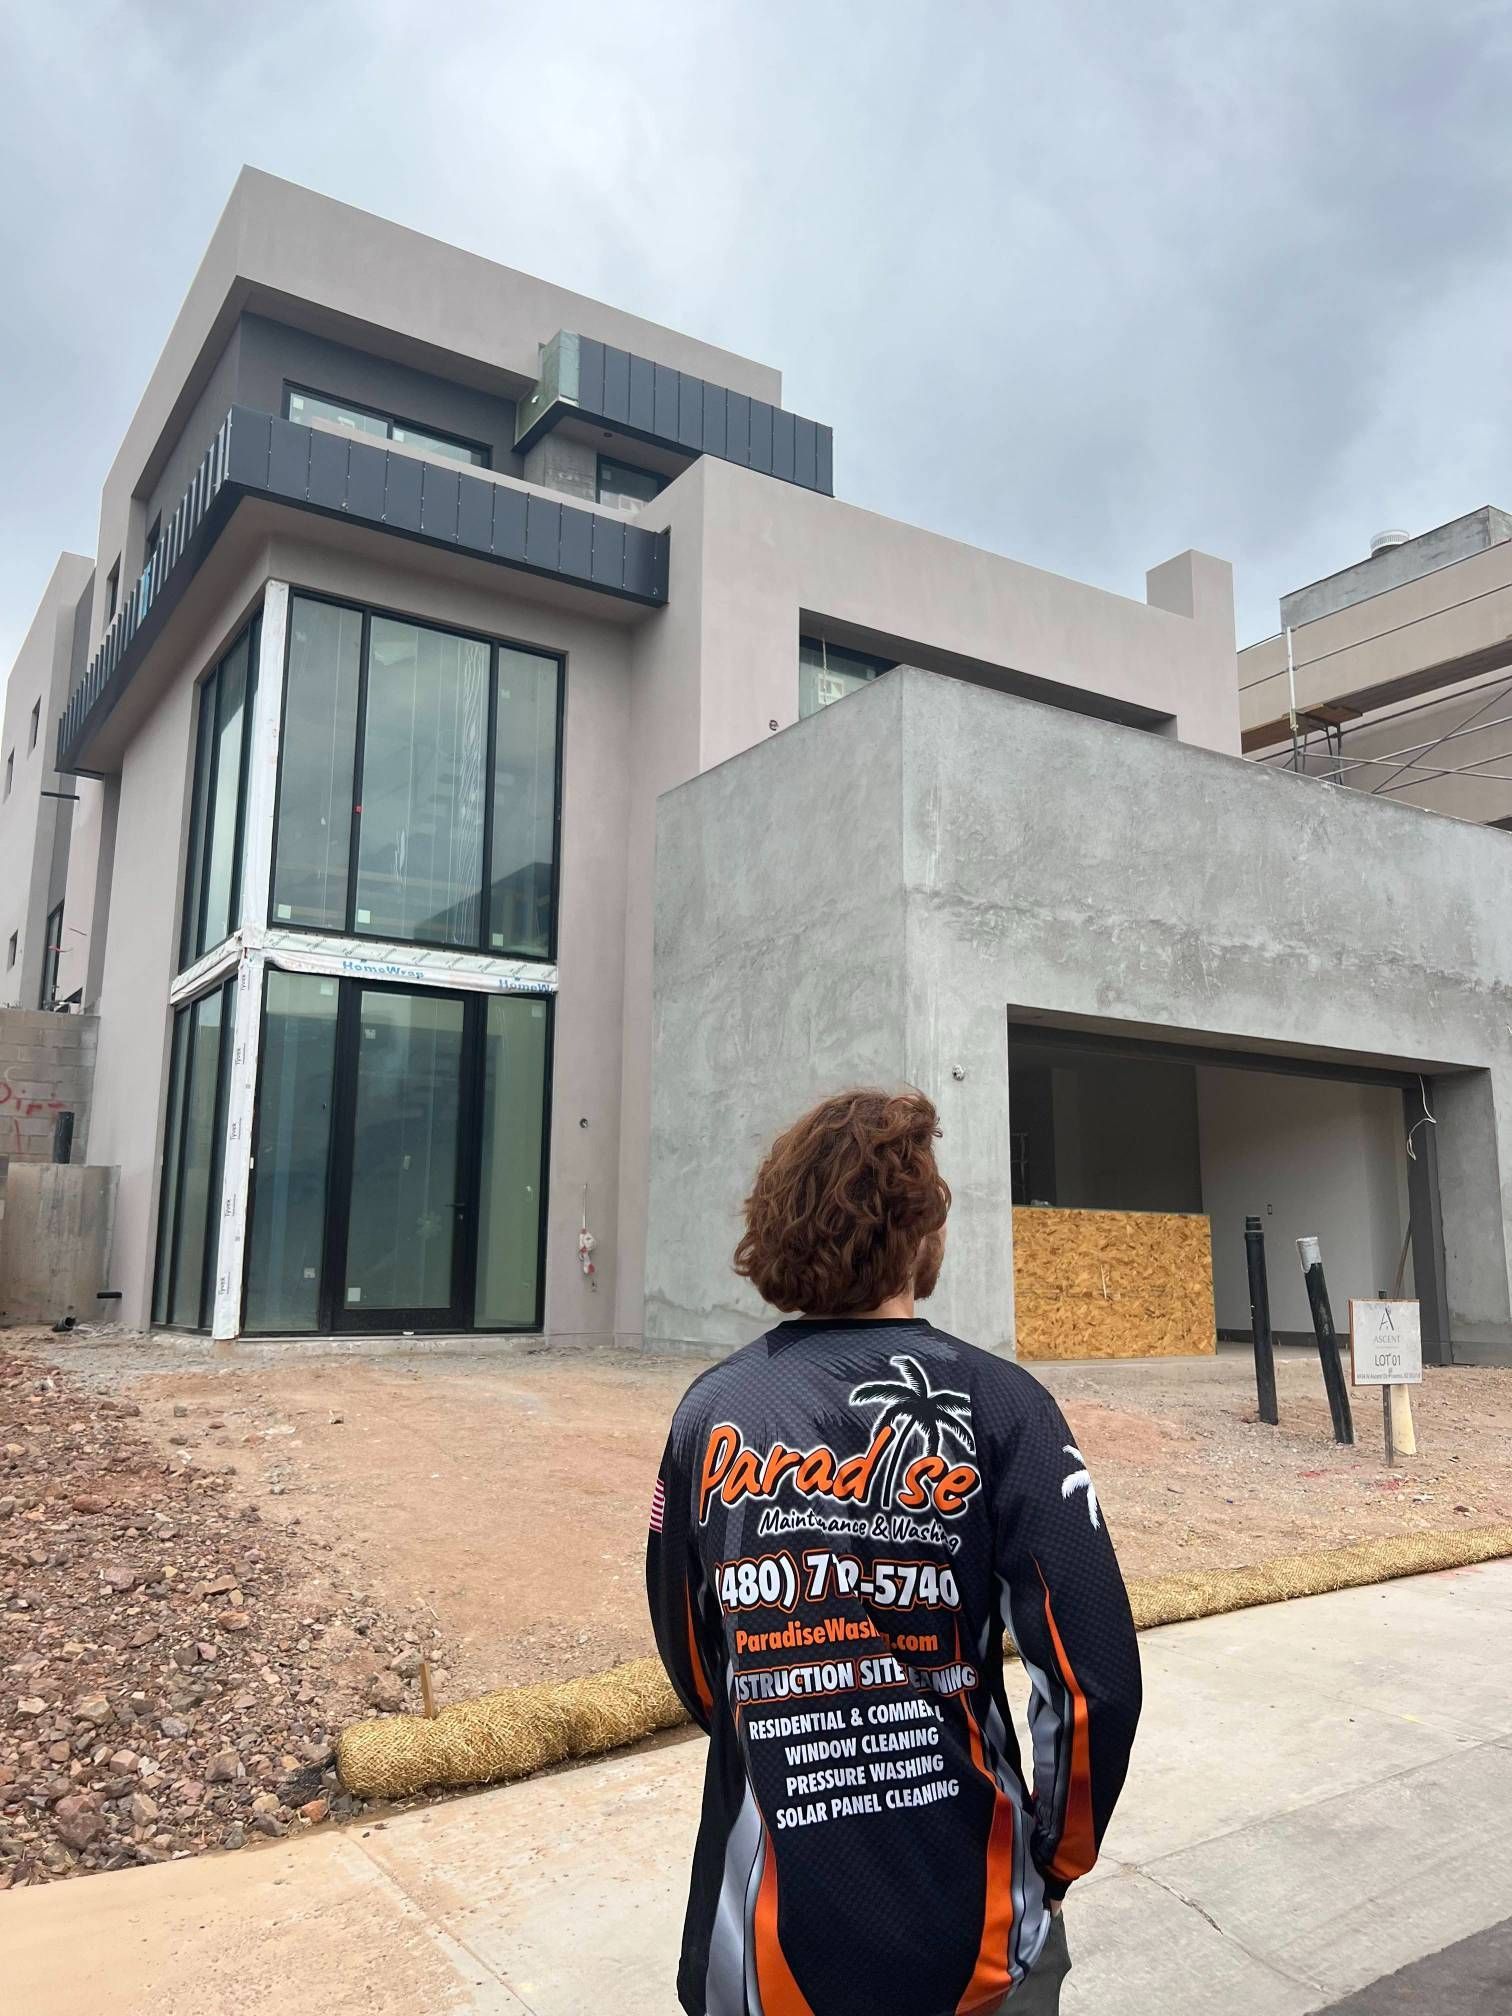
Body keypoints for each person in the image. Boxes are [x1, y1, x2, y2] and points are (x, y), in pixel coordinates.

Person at [646, 1088, 1142, 2016]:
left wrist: (790, 1736)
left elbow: (695, 1657)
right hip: (977, 1933)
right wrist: (1055, 1860)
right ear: (917, 1234)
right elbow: (1094, 1680)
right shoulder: (1004, 1406)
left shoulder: (709, 1412)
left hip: (761, 1939)